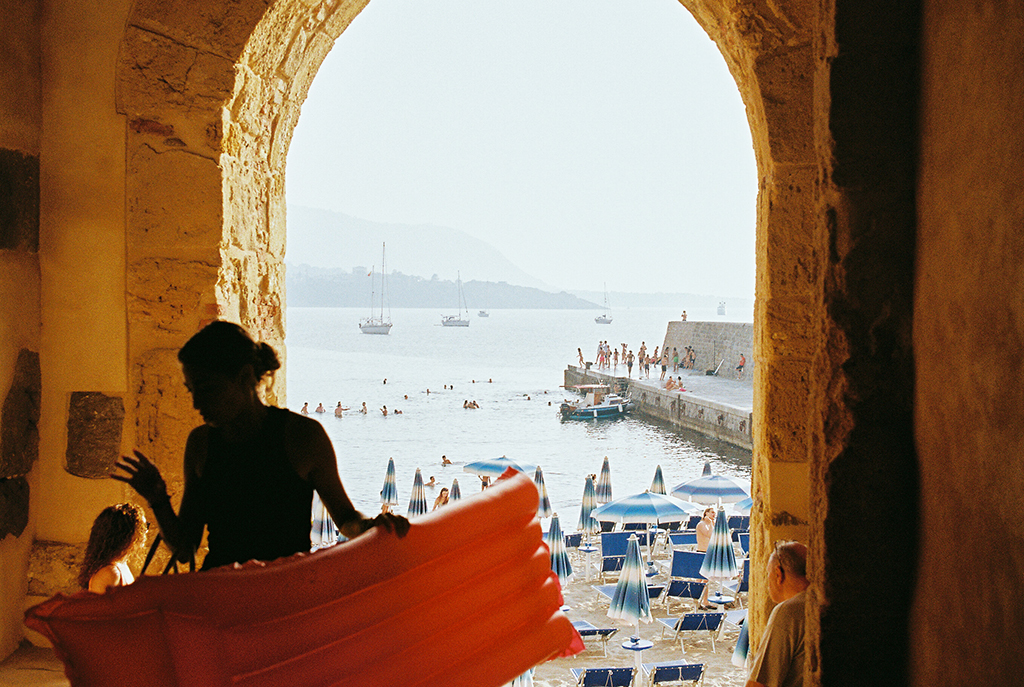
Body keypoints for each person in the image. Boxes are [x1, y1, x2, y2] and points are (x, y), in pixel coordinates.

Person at [112, 321, 409, 571]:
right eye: (192, 390)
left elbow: (346, 519)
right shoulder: (200, 444)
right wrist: (158, 499)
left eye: (207, 390)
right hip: (224, 603)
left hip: (281, 598)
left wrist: (373, 526)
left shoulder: (303, 437)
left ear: (244, 378)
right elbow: (186, 549)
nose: (196, 403)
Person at [746, 541, 810, 687]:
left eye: (768, 573)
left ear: (778, 574)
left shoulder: (787, 612)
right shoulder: (823, 600)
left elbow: (759, 684)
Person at [78, 503, 147, 594]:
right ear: (127, 535)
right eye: (143, 527)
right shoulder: (109, 574)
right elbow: (101, 608)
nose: (146, 531)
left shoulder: (120, 565)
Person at [695, 507, 717, 608]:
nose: (714, 514)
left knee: (706, 578)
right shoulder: (701, 524)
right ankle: (697, 600)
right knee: (700, 578)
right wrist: (712, 524)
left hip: (709, 552)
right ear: (706, 513)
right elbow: (709, 534)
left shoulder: (711, 524)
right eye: (712, 512)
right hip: (702, 552)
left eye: (714, 513)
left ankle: (705, 601)